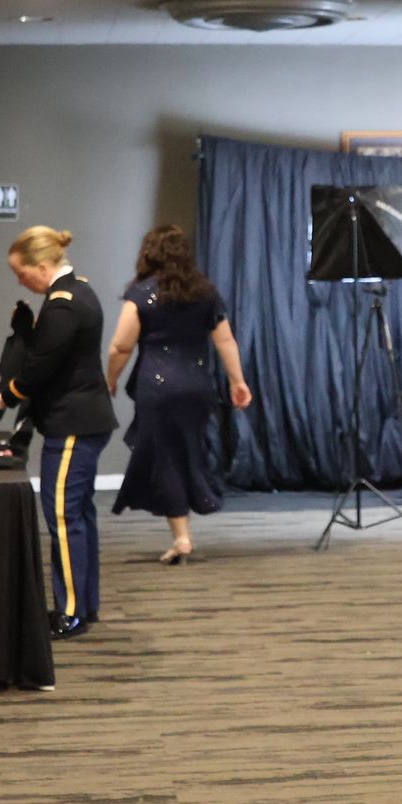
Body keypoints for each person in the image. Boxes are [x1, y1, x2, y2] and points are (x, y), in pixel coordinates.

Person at [0, 227, 117, 639]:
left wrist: (5, 396)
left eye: (22, 274)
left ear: (42, 266)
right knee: (80, 516)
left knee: (64, 517)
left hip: (72, 422)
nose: (21, 282)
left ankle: (70, 612)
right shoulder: (77, 292)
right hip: (85, 420)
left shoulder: (63, 305)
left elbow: (39, 367)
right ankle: (85, 605)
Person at [106, 225, 253, 563]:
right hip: (197, 385)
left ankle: (182, 538)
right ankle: (186, 525)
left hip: (157, 387)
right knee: (186, 453)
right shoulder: (205, 293)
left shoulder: (141, 294)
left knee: (167, 459)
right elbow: (225, 341)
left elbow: (120, 346)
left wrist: (110, 379)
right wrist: (237, 381)